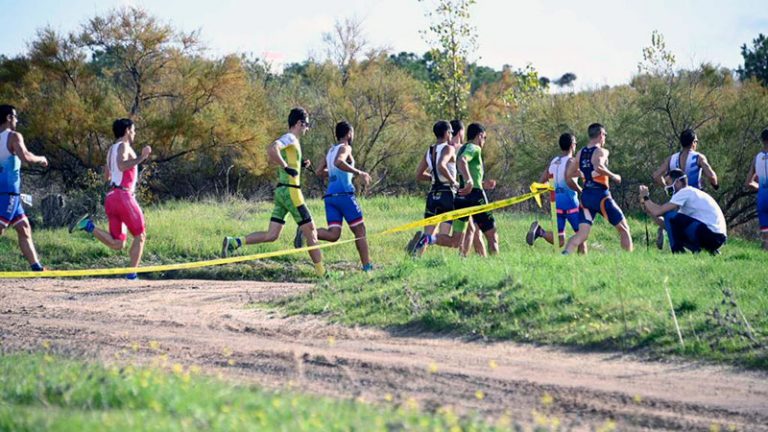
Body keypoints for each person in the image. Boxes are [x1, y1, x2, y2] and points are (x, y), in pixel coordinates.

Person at [220, 107, 325, 277]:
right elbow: (272, 149)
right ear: (299, 123)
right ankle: (323, 274)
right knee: (311, 231)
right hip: (291, 193)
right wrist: (285, 166)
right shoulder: (290, 137)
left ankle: (235, 242)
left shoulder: (293, 141)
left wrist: (299, 166)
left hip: (281, 192)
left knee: (272, 235)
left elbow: (288, 162)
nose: (307, 128)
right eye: (306, 125)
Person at [70, 118, 151, 279]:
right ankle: (132, 275)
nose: (134, 134)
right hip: (124, 196)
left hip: (112, 197)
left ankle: (88, 226)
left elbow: (106, 177)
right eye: (133, 130)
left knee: (118, 243)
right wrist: (142, 157)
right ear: (127, 130)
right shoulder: (123, 146)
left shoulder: (110, 150)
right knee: (140, 235)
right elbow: (121, 166)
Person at [296, 121, 373, 271]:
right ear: (349, 134)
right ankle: (367, 268)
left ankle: (307, 232)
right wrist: (359, 173)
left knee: (333, 235)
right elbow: (339, 162)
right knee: (360, 231)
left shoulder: (331, 151)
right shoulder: (345, 147)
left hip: (330, 197)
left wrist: (338, 172)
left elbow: (319, 172)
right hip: (344, 195)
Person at [563, 123, 633, 254]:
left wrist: (585, 174)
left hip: (586, 197)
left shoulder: (580, 153)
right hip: (601, 196)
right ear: (601, 135)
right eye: (605, 135)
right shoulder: (601, 151)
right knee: (624, 228)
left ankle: (566, 254)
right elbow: (598, 166)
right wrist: (614, 176)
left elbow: (569, 174)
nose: (605, 138)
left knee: (582, 235)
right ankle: (629, 261)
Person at [651, 128, 719, 249]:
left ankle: (663, 227)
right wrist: (715, 185)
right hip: (695, 200)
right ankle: (700, 247)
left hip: (677, 199)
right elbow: (712, 176)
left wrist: (668, 188)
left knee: (673, 220)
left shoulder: (671, 159)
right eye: (696, 141)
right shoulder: (698, 157)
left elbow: (656, 175)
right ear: (693, 142)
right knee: (697, 225)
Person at [0, 104, 48, 272]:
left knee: (24, 227)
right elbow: (26, 157)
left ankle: (36, 267)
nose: (17, 120)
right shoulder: (13, 136)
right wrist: (41, 158)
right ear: (8, 118)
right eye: (15, 117)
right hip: (8, 194)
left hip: (10, 194)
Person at [407, 120, 465, 256]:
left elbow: (419, 175)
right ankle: (427, 239)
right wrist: (453, 181)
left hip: (433, 195)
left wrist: (434, 178)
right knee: (447, 239)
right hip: (447, 195)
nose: (451, 135)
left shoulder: (430, 150)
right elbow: (441, 165)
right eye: (450, 132)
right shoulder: (448, 148)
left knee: (428, 232)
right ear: (447, 133)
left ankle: (415, 259)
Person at [639, 169, 726, 254]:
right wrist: (649, 211)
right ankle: (709, 251)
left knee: (670, 216)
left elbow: (659, 212)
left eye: (668, 183)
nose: (666, 187)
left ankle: (678, 252)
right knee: (674, 224)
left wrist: (646, 197)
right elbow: (668, 225)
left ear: (677, 182)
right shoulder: (691, 195)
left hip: (712, 235)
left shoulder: (685, 192)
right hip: (717, 238)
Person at [526, 132, 586, 253]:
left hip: (556, 203)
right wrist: (581, 191)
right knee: (581, 235)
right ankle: (583, 265)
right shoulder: (571, 161)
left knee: (559, 240)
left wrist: (540, 193)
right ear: (572, 146)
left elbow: (542, 181)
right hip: (570, 203)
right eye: (575, 144)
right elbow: (568, 180)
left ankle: (540, 232)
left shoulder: (554, 161)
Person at [453, 123, 499, 256]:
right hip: (475, 196)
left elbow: (465, 168)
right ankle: (497, 268)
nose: (484, 141)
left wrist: (483, 183)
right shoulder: (474, 148)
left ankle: (429, 239)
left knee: (457, 238)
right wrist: (470, 180)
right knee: (492, 235)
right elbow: (462, 161)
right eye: (484, 138)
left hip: (461, 196)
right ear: (479, 136)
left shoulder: (461, 148)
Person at [744, 128, 768, 251]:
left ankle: (764, 252)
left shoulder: (756, 158)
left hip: (762, 198)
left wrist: (762, 188)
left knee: (765, 232)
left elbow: (748, 183)